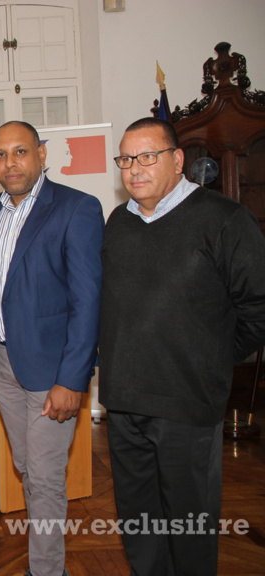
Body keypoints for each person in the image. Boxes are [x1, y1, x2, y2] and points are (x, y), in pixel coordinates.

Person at [99, 117, 265, 576]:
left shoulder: (225, 219)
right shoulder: (118, 222)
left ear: (176, 160)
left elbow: (258, 307)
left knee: (189, 529)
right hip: (124, 401)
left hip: (187, 403)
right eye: (126, 159)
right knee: (139, 526)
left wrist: (210, 358)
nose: (134, 168)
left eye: (147, 156)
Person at [0, 121, 104, 576]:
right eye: (0, 155)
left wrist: (73, 379)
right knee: (28, 467)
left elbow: (87, 302)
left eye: (20, 152)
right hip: (1, 364)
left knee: (45, 476)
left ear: (42, 154)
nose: (10, 163)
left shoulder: (76, 208)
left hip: (52, 369)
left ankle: (46, 571)